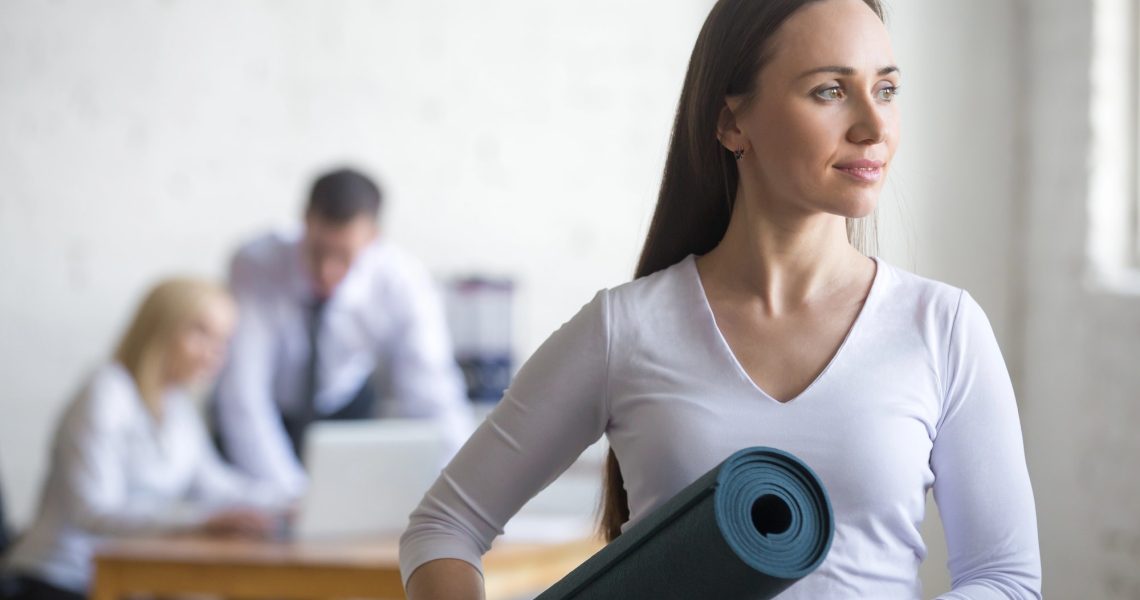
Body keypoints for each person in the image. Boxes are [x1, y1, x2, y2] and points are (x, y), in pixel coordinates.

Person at [398, 0, 1042, 598]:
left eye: (887, 90)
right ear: (733, 120)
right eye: (830, 91)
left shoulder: (942, 327)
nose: (874, 127)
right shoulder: (627, 329)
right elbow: (444, 526)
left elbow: (1005, 578)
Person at [2, 279, 285, 600]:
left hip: (125, 581)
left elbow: (216, 485)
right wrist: (201, 520)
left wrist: (288, 501)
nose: (214, 354)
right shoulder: (106, 392)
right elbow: (93, 511)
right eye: (201, 333)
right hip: (59, 580)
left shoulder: (177, 406)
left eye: (223, 341)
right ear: (160, 328)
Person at [212, 168, 473, 498]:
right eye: (318, 251)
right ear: (305, 221)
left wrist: (463, 491)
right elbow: (243, 394)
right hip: (268, 413)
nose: (326, 271)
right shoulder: (255, 262)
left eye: (344, 256)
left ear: (373, 237)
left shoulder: (403, 281)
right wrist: (290, 497)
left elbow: (432, 392)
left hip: (344, 412)